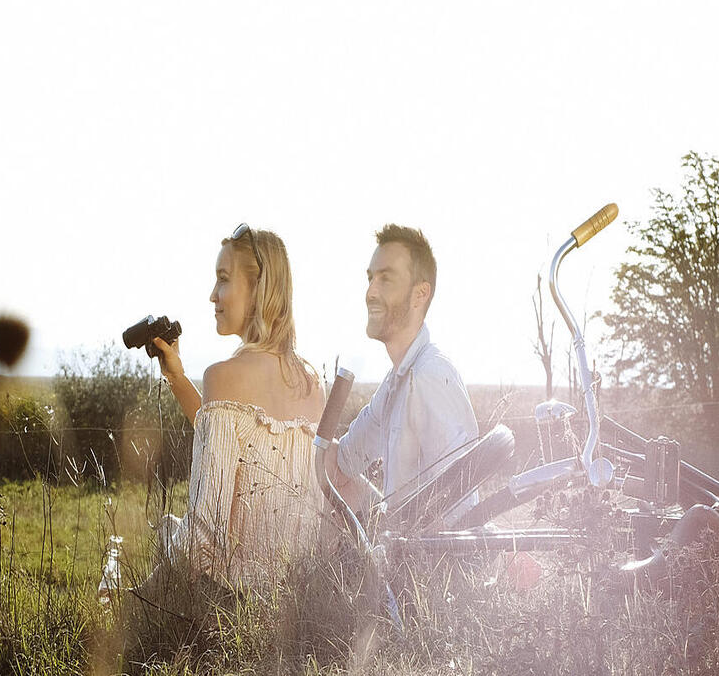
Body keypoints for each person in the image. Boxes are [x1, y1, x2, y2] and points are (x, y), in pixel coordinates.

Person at [150, 224, 326, 589]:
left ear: (259, 289)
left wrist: (138, 597)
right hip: (291, 601)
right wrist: (179, 380)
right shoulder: (312, 384)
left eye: (224, 279)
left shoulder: (223, 375)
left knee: (157, 539)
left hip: (227, 603)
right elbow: (247, 444)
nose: (213, 295)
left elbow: (202, 532)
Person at [328, 224, 479, 512]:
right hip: (397, 545)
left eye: (386, 279)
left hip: (428, 555)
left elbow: (459, 510)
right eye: (371, 279)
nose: (370, 292)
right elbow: (343, 461)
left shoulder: (430, 375)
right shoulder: (396, 380)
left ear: (420, 294)